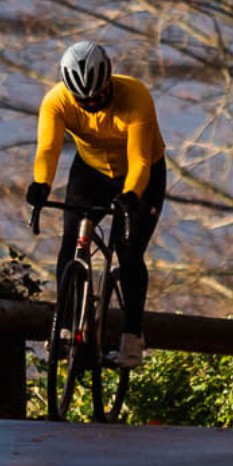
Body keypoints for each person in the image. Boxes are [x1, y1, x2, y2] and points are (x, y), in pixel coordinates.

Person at [26, 41, 167, 369]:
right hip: (90, 172)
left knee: (128, 251)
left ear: (109, 83)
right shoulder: (56, 102)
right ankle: (66, 325)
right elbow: (47, 149)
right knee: (70, 244)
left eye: (98, 97)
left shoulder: (135, 96)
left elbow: (140, 161)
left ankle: (132, 338)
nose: (91, 103)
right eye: (83, 100)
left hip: (141, 174)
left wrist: (132, 194)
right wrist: (41, 185)